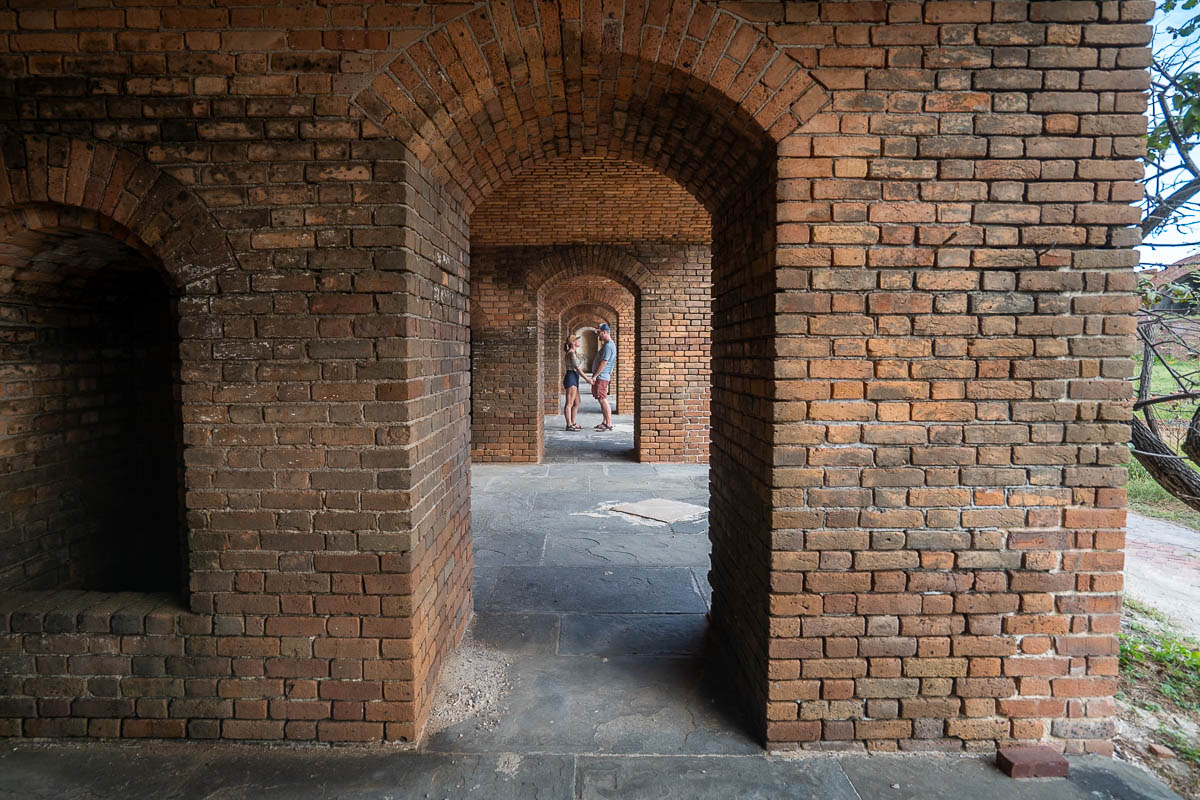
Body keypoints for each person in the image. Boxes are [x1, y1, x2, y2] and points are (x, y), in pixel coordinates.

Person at [561, 335, 592, 431]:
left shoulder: (574, 352)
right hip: (571, 377)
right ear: (573, 342)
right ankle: (569, 424)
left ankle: (573, 422)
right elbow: (577, 368)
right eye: (578, 340)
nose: (579, 342)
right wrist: (587, 379)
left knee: (577, 402)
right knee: (569, 403)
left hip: (574, 377)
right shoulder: (571, 353)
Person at [590, 323, 617, 431]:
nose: (598, 336)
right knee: (601, 399)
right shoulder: (607, 344)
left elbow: (604, 363)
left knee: (603, 399)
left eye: (599, 333)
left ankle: (609, 423)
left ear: (605, 332)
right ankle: (605, 422)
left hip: (602, 376)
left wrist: (595, 376)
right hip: (601, 376)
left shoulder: (609, 345)